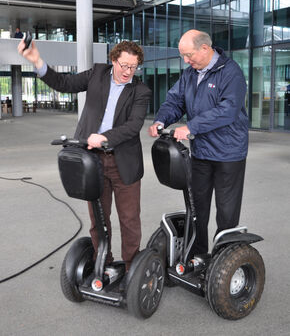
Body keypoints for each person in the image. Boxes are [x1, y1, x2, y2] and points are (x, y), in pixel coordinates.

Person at [18, 39, 151, 271]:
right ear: (113, 60)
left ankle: (132, 269)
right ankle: (103, 263)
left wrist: (105, 137)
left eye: (133, 67)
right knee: (98, 217)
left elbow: (134, 125)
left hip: (124, 163)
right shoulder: (97, 73)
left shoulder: (140, 90)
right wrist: (37, 61)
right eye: (124, 65)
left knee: (129, 219)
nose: (128, 72)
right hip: (93, 160)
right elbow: (64, 82)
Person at [148, 29, 248, 258]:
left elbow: (228, 110)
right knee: (197, 208)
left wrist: (191, 127)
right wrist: (161, 120)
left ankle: (224, 260)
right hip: (201, 152)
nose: (186, 60)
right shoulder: (189, 74)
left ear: (205, 48)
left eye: (188, 54)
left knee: (227, 212)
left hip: (228, 153)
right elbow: (175, 101)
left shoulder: (231, 72)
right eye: (183, 56)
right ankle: (198, 254)